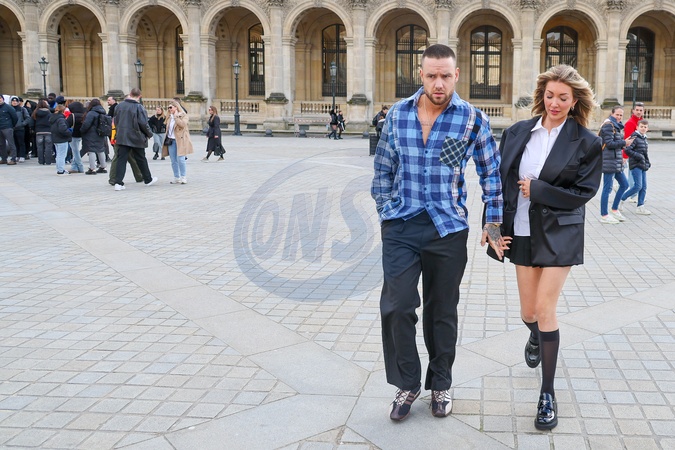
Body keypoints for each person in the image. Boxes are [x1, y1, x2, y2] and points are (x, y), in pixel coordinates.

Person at [371, 44, 507, 422]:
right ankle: (408, 382)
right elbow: (383, 169)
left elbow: (492, 174)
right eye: (431, 76)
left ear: (456, 75)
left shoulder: (472, 118)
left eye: (445, 76)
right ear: (421, 74)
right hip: (401, 225)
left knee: (441, 310)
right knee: (397, 305)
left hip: (447, 228)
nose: (439, 84)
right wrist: (386, 213)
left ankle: (441, 383)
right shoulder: (398, 114)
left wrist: (492, 224)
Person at [489, 64, 602, 431]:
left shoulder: (586, 142)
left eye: (563, 98)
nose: (555, 103)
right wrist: (492, 226)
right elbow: (499, 183)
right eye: (550, 95)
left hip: (559, 233)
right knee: (528, 312)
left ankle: (547, 394)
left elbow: (583, 193)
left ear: (575, 101)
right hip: (521, 231)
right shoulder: (517, 132)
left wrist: (539, 190)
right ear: (542, 95)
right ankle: (537, 336)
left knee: (544, 308)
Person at [112, 88, 157, 190]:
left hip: (122, 136)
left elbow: (116, 121)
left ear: (130, 94)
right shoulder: (139, 107)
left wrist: (119, 131)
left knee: (121, 159)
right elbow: (143, 123)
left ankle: (118, 183)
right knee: (141, 158)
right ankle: (148, 179)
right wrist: (149, 134)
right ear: (139, 96)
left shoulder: (119, 106)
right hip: (136, 137)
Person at [599, 106, 633, 224]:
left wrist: (625, 144)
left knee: (624, 184)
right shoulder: (609, 125)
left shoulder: (617, 126)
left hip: (616, 161)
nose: (619, 117)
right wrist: (624, 142)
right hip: (609, 161)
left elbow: (616, 143)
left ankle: (614, 209)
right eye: (617, 114)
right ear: (612, 114)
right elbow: (609, 143)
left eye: (621, 115)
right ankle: (604, 215)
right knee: (607, 188)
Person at [620, 119, 651, 215]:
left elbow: (644, 153)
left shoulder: (644, 138)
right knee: (638, 186)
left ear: (647, 129)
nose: (643, 128)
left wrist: (647, 162)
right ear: (637, 127)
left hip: (643, 165)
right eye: (641, 126)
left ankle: (640, 206)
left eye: (645, 127)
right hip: (636, 164)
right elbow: (627, 149)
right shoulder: (634, 137)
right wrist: (638, 156)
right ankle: (621, 198)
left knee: (644, 187)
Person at [163, 100, 194, 183]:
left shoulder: (183, 115)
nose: (169, 109)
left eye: (170, 107)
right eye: (168, 108)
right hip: (171, 140)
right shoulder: (169, 117)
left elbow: (182, 124)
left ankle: (183, 177)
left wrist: (176, 117)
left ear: (176, 107)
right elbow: (165, 125)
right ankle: (176, 177)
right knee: (173, 160)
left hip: (180, 140)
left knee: (181, 159)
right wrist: (170, 116)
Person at [80, 98, 108, 175]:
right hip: (101, 133)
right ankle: (103, 167)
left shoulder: (91, 113)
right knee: (100, 150)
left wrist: (82, 130)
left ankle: (92, 168)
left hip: (91, 134)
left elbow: (86, 124)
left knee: (91, 150)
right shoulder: (103, 112)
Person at [622, 102, 644, 203]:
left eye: (641, 110)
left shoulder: (641, 122)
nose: (639, 112)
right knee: (632, 174)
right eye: (637, 110)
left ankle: (623, 189)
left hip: (639, 153)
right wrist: (625, 156)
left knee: (634, 174)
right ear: (633, 111)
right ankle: (633, 195)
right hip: (632, 153)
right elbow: (627, 140)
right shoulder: (630, 123)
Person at [49, 104, 72, 175]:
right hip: (62, 139)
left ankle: (59, 168)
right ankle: (61, 170)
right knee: (62, 155)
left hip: (55, 138)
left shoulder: (53, 118)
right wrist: (70, 132)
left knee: (58, 155)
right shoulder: (61, 119)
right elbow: (63, 129)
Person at [66, 101, 86, 173]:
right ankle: (74, 167)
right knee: (76, 151)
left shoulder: (72, 116)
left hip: (73, 135)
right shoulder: (84, 115)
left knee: (75, 152)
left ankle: (80, 167)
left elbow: (67, 125)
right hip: (82, 134)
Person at [32, 99, 53, 165]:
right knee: (48, 147)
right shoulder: (49, 112)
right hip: (48, 131)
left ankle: (41, 161)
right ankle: (48, 161)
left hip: (39, 131)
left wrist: (34, 129)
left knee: (40, 147)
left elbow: (31, 122)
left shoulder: (35, 112)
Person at [10, 96, 30, 163]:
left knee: (21, 143)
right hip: (11, 128)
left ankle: (22, 156)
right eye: (13, 101)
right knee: (14, 143)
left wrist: (22, 124)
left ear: (18, 102)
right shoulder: (9, 109)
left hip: (20, 128)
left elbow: (27, 118)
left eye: (16, 101)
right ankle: (16, 155)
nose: (14, 102)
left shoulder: (22, 109)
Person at [0, 95, 18, 165]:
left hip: (7, 127)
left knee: (11, 144)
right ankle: (4, 158)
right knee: (1, 144)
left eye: (0, 98)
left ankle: (13, 159)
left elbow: (15, 117)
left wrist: (11, 125)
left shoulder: (8, 107)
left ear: (3, 99)